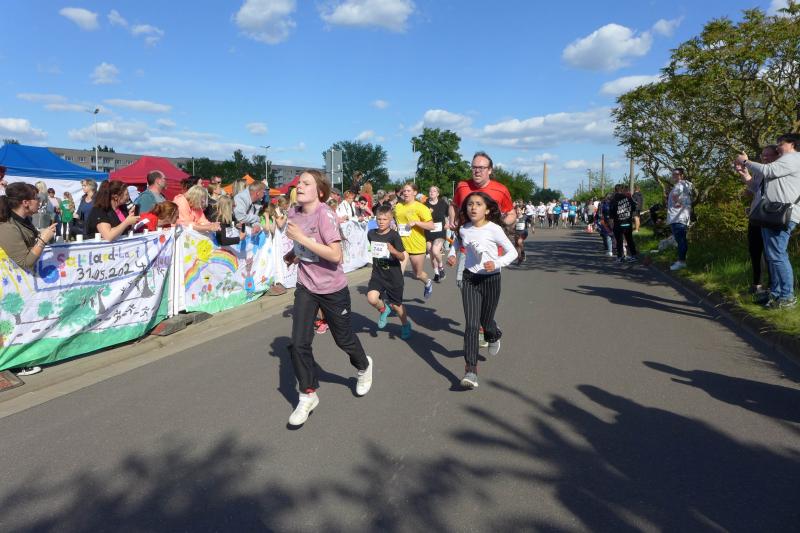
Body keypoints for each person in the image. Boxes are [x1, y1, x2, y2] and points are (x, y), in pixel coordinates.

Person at [283, 169, 373, 426]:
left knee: (343, 339)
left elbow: (335, 255)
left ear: (320, 192)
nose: (299, 187)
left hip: (332, 289)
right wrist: (294, 253)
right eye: (299, 183)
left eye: (306, 183)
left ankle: (364, 366)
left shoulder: (326, 214)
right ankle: (307, 394)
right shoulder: (293, 213)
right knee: (298, 342)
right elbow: (304, 244)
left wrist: (301, 239)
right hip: (306, 286)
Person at [446, 191, 517, 389]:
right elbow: (458, 241)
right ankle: (471, 370)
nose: (473, 207)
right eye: (470, 204)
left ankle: (493, 334)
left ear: (486, 210)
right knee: (471, 325)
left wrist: (496, 263)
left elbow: (512, 252)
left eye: (478, 204)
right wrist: (452, 254)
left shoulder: (494, 229)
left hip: (491, 279)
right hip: (470, 279)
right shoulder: (464, 228)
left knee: (486, 322)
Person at [0, 182, 58, 376]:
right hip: (11, 288)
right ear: (25, 202)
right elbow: (26, 261)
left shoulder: (24, 220)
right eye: (36, 198)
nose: (39, 202)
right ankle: (17, 362)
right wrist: (42, 239)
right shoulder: (7, 227)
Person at [736, 133, 800, 309]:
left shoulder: (792, 158)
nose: (778, 146)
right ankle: (776, 293)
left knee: (778, 255)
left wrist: (745, 161)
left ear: (792, 144)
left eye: (781, 143)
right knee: (773, 255)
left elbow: (768, 171)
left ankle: (787, 297)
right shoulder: (785, 162)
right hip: (771, 214)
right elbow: (758, 185)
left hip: (781, 214)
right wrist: (745, 172)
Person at [367, 204, 412, 339]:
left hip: (393, 276)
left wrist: (393, 251)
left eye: (385, 219)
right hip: (378, 274)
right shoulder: (371, 234)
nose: (381, 222)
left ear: (390, 219)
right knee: (372, 298)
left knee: (396, 306)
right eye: (379, 219)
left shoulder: (394, 236)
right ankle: (384, 309)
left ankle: (405, 324)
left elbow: (402, 257)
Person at [740, 145, 778, 296]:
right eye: (763, 155)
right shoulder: (759, 172)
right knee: (755, 250)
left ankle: (773, 287)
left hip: (771, 217)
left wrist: (746, 162)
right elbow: (753, 189)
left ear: (777, 156)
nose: (765, 158)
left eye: (769, 155)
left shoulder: (778, 172)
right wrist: (745, 174)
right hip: (756, 216)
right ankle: (757, 284)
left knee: (771, 253)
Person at [395, 182, 436, 298]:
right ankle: (395, 298)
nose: (406, 193)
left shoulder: (421, 207)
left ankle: (427, 282)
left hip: (416, 245)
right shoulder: (398, 206)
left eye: (408, 191)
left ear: (415, 193)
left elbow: (431, 226)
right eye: (404, 191)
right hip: (402, 245)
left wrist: (416, 223)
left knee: (417, 274)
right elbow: (396, 221)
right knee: (398, 273)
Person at [666, 167, 693, 271]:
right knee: (681, 240)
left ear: (682, 175)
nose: (674, 176)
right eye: (673, 174)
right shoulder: (685, 185)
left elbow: (676, 195)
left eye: (676, 174)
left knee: (681, 240)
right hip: (680, 216)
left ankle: (681, 262)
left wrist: (677, 201)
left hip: (678, 217)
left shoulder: (680, 185)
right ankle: (681, 260)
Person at [425, 186, 449, 282]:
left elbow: (448, 214)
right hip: (428, 231)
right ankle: (436, 273)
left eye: (434, 191)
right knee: (431, 253)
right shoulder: (425, 204)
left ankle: (441, 268)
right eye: (430, 191)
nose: (431, 192)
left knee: (435, 251)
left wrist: (448, 223)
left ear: (438, 194)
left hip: (440, 231)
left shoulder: (443, 203)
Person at [609, 184, 638, 262]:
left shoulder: (613, 200)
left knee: (619, 241)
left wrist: (611, 226)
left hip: (618, 224)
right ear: (622, 190)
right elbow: (634, 208)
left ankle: (620, 257)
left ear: (615, 190)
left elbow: (611, 215)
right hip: (628, 223)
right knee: (630, 240)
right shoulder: (629, 198)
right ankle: (634, 256)